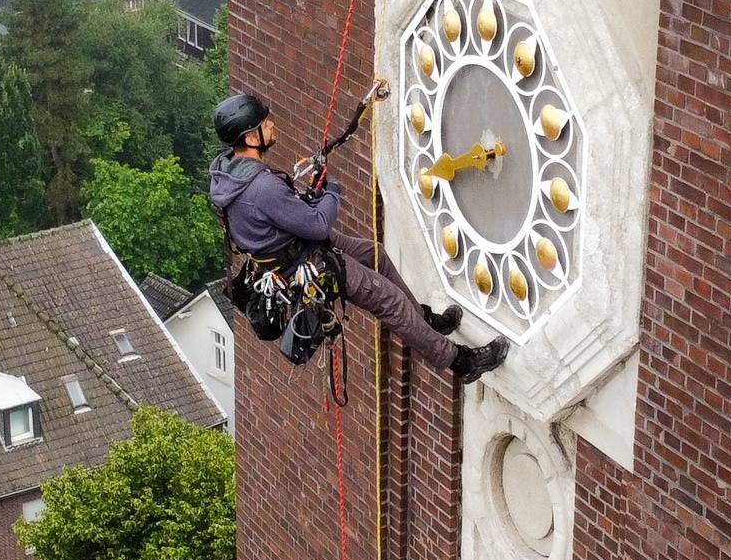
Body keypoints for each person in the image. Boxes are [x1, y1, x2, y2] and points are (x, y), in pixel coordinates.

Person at [208, 93, 509, 383]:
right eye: (264, 123)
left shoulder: (229, 172)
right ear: (251, 138)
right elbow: (318, 225)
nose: (272, 124)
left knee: (373, 252)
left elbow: (280, 214)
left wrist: (305, 199)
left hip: (293, 249)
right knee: (389, 301)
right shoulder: (260, 188)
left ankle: (423, 321)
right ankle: (461, 362)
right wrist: (331, 191)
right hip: (309, 264)